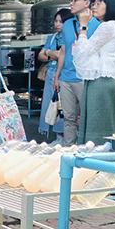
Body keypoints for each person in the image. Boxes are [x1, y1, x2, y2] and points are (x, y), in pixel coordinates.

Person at [74, 0, 115, 145]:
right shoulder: (111, 26)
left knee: (98, 125)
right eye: (94, 3)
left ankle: (96, 159)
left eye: (98, 3)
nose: (94, 7)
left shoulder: (107, 27)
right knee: (103, 123)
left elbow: (84, 50)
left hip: (102, 81)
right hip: (103, 79)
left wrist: (83, 25)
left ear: (109, 6)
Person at [54, 0, 99, 146]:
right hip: (66, 77)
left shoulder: (98, 25)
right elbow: (64, 51)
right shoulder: (67, 25)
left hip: (85, 78)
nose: (71, 3)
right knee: (69, 117)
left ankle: (87, 149)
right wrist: (57, 76)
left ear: (87, 3)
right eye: (71, 0)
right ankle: (68, 149)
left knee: (88, 117)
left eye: (75, 0)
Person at [37, 8, 74, 141]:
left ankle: (65, 137)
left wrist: (49, 53)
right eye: (56, 21)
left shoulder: (72, 36)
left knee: (64, 107)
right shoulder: (52, 38)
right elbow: (40, 55)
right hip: (50, 74)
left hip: (65, 75)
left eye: (61, 21)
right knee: (50, 105)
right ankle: (58, 137)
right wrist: (51, 54)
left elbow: (63, 56)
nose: (57, 24)